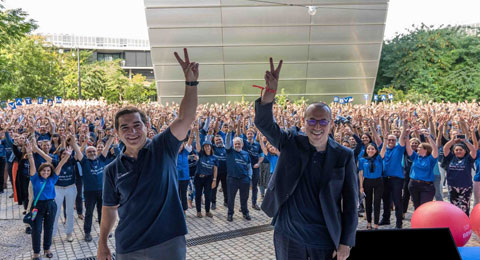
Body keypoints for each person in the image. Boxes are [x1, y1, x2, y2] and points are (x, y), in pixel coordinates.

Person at [97, 48, 198, 260]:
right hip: (129, 247)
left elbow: (185, 118)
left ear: (147, 126)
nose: (132, 132)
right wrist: (103, 242)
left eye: (137, 125)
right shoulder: (111, 170)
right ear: (117, 133)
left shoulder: (163, 147)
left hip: (168, 241)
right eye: (125, 128)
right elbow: (109, 210)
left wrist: (190, 83)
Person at [255, 58, 358, 260]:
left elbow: (351, 202)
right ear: (304, 122)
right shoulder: (291, 142)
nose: (316, 126)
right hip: (288, 234)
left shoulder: (344, 156)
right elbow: (264, 122)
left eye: (322, 121)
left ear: (331, 124)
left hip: (324, 237)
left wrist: (346, 241)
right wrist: (270, 92)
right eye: (311, 120)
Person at [26, 140, 72, 260]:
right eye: (43, 171)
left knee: (49, 228)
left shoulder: (53, 178)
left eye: (48, 171)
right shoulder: (35, 178)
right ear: (40, 171)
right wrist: (30, 153)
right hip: (37, 206)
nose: (46, 172)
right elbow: (32, 163)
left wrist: (67, 155)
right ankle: (36, 252)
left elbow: (60, 164)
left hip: (51, 205)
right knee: (36, 229)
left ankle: (47, 249)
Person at [70, 134, 114, 242]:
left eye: (94, 151)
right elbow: (77, 150)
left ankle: (104, 231)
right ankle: (87, 233)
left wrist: (112, 136)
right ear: (86, 154)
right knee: (89, 213)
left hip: (102, 191)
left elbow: (107, 146)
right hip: (89, 192)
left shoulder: (101, 159)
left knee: (102, 213)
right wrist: (73, 141)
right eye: (89, 152)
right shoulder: (84, 162)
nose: (92, 153)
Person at [379, 126, 407, 228]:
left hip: (396, 179)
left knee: (397, 201)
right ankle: (386, 219)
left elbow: (402, 137)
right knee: (386, 200)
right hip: (385, 178)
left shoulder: (399, 149)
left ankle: (399, 223)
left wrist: (404, 125)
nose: (391, 141)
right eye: (389, 140)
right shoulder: (383, 149)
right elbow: (378, 140)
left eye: (393, 140)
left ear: (396, 141)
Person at [441, 136, 477, 216]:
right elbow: (445, 148)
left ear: (465, 151)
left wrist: (466, 141)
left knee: (464, 207)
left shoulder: (468, 159)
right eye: (456, 150)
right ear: (453, 151)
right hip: (452, 186)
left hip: (465, 187)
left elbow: (473, 150)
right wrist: (452, 141)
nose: (458, 151)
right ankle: (455, 222)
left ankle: (465, 223)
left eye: (461, 150)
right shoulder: (450, 158)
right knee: (454, 207)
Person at [406, 129, 439, 209]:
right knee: (416, 206)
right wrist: (407, 135)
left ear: (425, 150)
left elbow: (435, 149)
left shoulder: (431, 159)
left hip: (427, 186)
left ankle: (425, 221)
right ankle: (417, 221)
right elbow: (408, 147)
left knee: (425, 207)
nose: (417, 148)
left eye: (419, 147)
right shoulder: (415, 156)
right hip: (413, 184)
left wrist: (429, 138)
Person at [225, 130, 253, 222]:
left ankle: (245, 213)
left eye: (239, 144)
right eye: (236, 144)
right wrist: (229, 133)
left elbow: (249, 166)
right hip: (232, 178)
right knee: (231, 197)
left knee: (244, 197)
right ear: (233, 145)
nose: (237, 145)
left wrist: (249, 177)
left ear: (242, 145)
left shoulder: (246, 154)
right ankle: (230, 214)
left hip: (244, 179)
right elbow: (227, 143)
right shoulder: (230, 151)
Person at [52, 148, 78, 242]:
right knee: (55, 212)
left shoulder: (72, 161)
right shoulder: (55, 162)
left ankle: (69, 233)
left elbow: (80, 150)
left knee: (70, 212)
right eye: (63, 154)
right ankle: (52, 235)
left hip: (70, 188)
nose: (65, 155)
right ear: (60, 155)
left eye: (66, 154)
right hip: (58, 189)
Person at [358, 142, 386, 230]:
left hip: (378, 181)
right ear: (366, 150)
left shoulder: (378, 158)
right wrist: (361, 186)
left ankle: (376, 223)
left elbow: (383, 149)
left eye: (372, 149)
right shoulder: (362, 160)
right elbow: (361, 173)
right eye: (369, 149)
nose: (370, 150)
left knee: (377, 203)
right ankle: (369, 222)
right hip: (367, 182)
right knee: (368, 202)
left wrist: (385, 140)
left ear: (375, 150)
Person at [193, 126, 218, 218]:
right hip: (198, 177)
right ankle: (199, 211)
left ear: (211, 147)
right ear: (203, 147)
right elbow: (198, 144)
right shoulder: (201, 154)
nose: (207, 147)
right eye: (206, 146)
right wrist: (196, 134)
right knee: (198, 195)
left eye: (209, 146)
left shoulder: (214, 158)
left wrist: (214, 180)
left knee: (208, 195)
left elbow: (215, 169)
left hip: (208, 178)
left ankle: (207, 211)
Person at [212, 134, 228, 208]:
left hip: (225, 172)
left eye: (219, 139)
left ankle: (226, 202)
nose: (218, 141)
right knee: (214, 188)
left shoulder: (226, 148)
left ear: (223, 140)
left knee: (225, 188)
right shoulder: (214, 148)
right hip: (216, 172)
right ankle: (213, 203)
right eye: (216, 140)